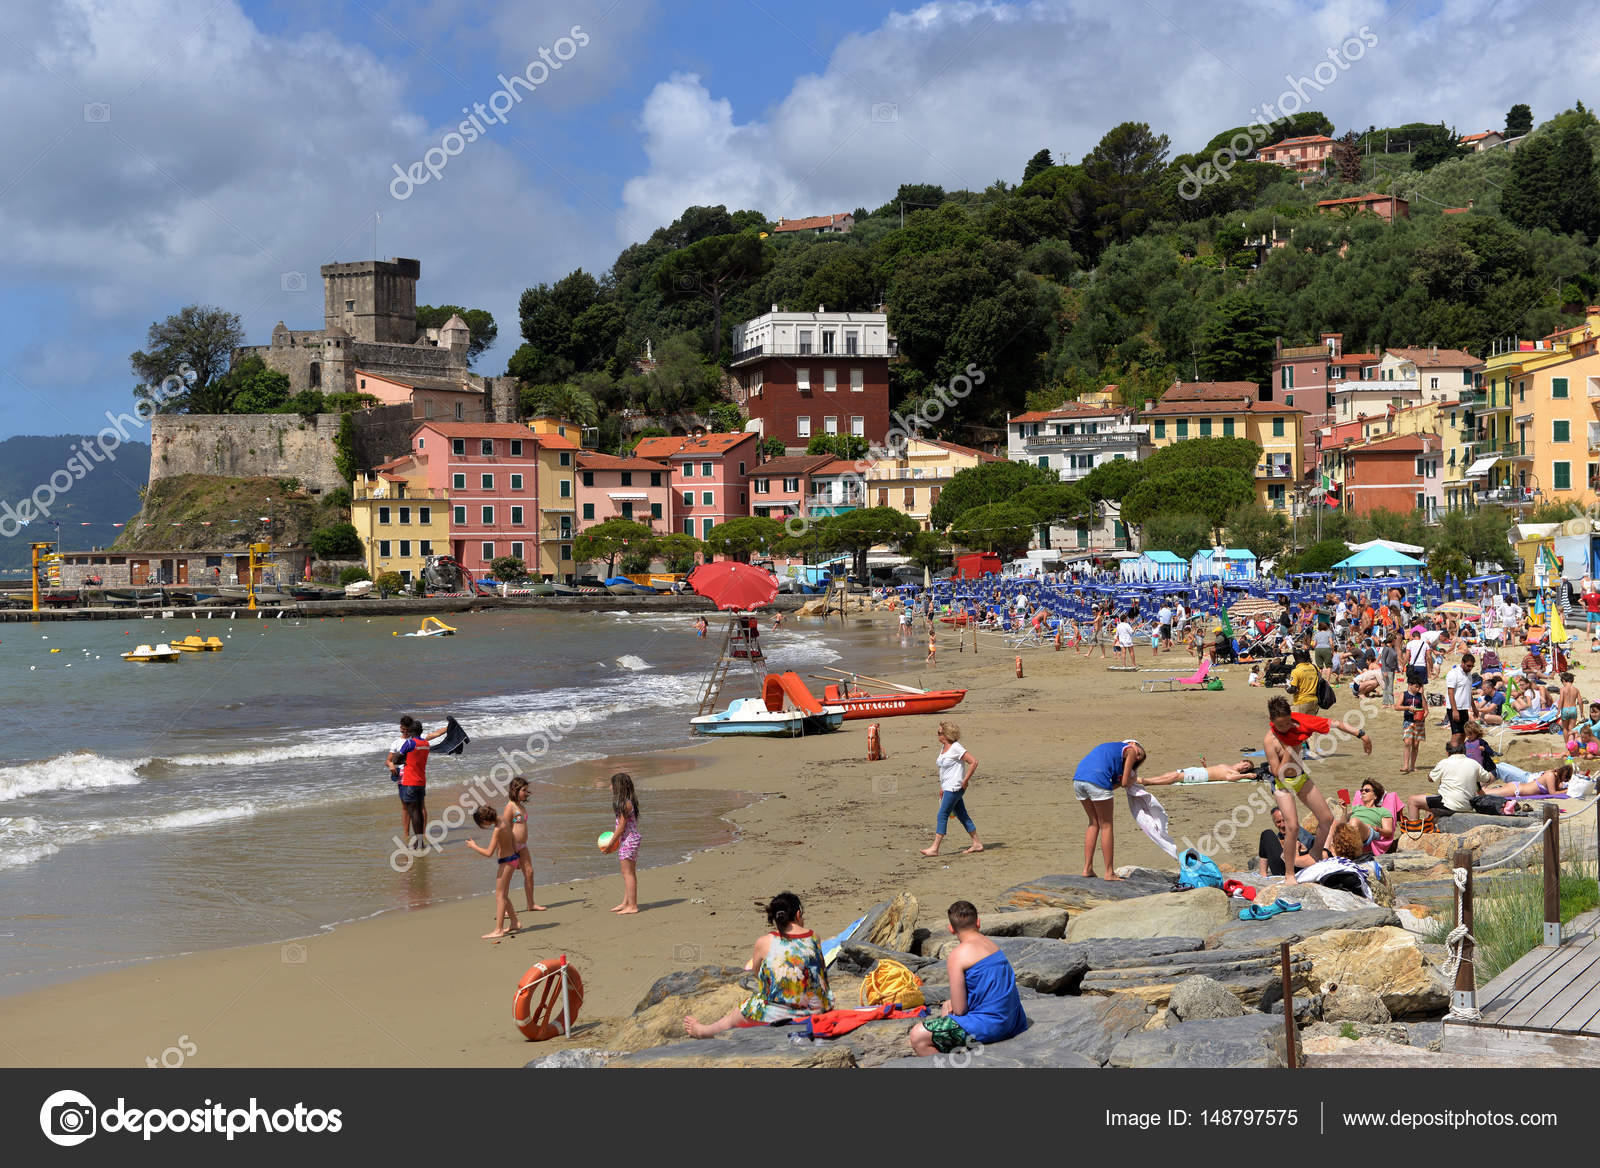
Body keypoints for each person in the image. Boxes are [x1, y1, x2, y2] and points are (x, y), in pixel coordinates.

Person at [684, 892, 831, 1038]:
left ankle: (703, 1031)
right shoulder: (814, 937)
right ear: (798, 914)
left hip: (781, 1014)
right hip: (818, 1008)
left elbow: (756, 973)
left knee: (736, 1014)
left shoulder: (764, 942)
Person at [1263, 695, 1372, 882]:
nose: (1286, 728)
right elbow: (1276, 772)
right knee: (1292, 826)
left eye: (1288, 723)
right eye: (1281, 725)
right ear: (1272, 721)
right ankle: (1289, 873)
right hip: (1281, 784)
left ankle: (1315, 854)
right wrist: (1290, 748)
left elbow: (1334, 723)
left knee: (1327, 818)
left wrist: (1361, 734)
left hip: (1300, 777)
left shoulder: (1299, 723)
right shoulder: (1270, 740)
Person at [908, 901, 1029, 1057]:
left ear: (951, 929)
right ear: (978, 922)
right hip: (1014, 1021)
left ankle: (948, 1062)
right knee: (948, 1006)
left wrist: (951, 1009)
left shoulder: (958, 955)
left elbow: (960, 1010)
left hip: (993, 1026)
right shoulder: (992, 946)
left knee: (918, 1036)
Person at [1071, 739, 1145, 879]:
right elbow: (1124, 783)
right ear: (1133, 743)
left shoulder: (1111, 750)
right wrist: (1134, 779)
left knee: (1093, 823)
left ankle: (1087, 869)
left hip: (1079, 779)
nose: (1137, 757)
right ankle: (1109, 872)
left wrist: (1123, 780)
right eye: (1140, 753)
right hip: (1096, 780)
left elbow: (1110, 786)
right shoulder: (1130, 749)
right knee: (1106, 826)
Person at [387, 715, 450, 850]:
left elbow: (396, 759)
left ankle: (419, 842)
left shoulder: (410, 743)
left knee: (413, 811)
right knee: (419, 810)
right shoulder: (425, 744)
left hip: (409, 780)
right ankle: (420, 839)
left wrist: (401, 760)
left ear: (410, 731)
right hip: (421, 780)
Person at [921, 721, 982, 857]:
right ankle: (977, 843)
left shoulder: (956, 747)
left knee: (942, 814)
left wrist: (965, 780)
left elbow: (974, 762)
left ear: (946, 734)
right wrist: (942, 787)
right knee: (962, 814)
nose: (937, 734)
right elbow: (945, 770)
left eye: (939, 732)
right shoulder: (943, 748)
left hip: (955, 787)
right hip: (948, 787)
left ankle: (934, 848)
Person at [1402, 741, 1501, 824]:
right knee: (1431, 801)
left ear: (1447, 752)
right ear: (1464, 750)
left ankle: (1413, 830)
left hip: (1448, 805)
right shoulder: (1473, 763)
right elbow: (1487, 778)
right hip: (1467, 805)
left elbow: (1430, 779)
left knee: (1413, 800)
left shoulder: (1444, 762)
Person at [467, 805, 522, 939]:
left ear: (485, 820)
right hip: (513, 859)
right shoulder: (504, 820)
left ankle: (499, 929)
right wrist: (518, 857)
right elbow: (513, 838)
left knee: (499, 895)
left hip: (507, 862)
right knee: (504, 895)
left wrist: (474, 846)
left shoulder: (497, 830)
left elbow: (488, 853)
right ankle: (514, 922)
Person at [599, 772, 641, 914]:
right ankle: (626, 902)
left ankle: (632, 906)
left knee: (628, 873)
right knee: (628, 873)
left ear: (617, 786)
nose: (610, 787)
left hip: (629, 840)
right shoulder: (626, 802)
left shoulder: (625, 804)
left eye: (611, 784)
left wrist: (611, 844)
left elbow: (621, 827)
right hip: (630, 839)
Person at [502, 776, 545, 913]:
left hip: (523, 846)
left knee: (529, 872)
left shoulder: (521, 806)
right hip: (511, 847)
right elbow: (505, 828)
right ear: (515, 790)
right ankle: (505, 908)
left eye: (527, 790)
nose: (526, 793)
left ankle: (531, 904)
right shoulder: (510, 807)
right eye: (524, 790)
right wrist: (510, 848)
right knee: (507, 879)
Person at [1258, 806, 1315, 876]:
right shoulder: (1282, 834)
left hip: (1294, 871)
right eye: (1278, 822)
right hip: (1284, 866)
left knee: (1267, 834)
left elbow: (1310, 860)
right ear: (1274, 823)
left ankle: (1262, 874)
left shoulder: (1304, 837)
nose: (1282, 825)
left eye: (1285, 820)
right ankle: (1263, 874)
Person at [1483, 763, 1572, 798]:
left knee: (1484, 792)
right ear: (1563, 774)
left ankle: (1482, 786)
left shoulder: (1554, 779)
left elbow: (1557, 790)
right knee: (1482, 793)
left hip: (1517, 789)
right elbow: (1553, 793)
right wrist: (1567, 790)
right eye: (1566, 778)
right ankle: (1479, 785)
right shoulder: (1550, 775)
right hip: (1516, 789)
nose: (1565, 781)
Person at [1444, 653, 1475, 748]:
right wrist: (1454, 710)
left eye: (1472, 666)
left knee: (1463, 734)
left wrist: (1474, 707)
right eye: (1468, 665)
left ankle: (1458, 753)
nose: (1470, 668)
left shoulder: (1469, 675)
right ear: (1462, 663)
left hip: (1464, 708)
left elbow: (1469, 692)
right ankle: (1451, 754)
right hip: (1454, 708)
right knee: (1456, 734)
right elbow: (1450, 692)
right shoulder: (1453, 673)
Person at [1287, 649, 1320, 716]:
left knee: (1296, 721)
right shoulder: (1314, 667)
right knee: (1310, 721)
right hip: (1314, 700)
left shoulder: (1296, 671)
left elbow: (1293, 689)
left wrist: (1287, 688)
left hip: (1301, 701)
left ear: (1295, 658)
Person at [1557, 671, 1584, 738]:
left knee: (1565, 728)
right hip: (1573, 709)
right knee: (1572, 729)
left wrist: (1558, 711)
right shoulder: (1576, 690)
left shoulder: (1562, 689)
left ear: (1564, 680)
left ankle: (1567, 743)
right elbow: (1580, 701)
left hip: (1565, 709)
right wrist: (1582, 712)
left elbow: (1561, 700)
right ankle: (1572, 742)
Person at [1380, 632, 1400, 709]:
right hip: (1387, 670)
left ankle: (1385, 703)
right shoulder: (1386, 648)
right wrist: (1384, 670)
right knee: (1389, 686)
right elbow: (1383, 659)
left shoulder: (1392, 648)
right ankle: (1391, 703)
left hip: (1392, 669)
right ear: (1392, 640)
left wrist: (1397, 668)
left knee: (1388, 686)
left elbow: (1395, 660)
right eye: (1395, 639)